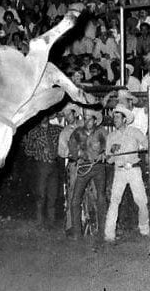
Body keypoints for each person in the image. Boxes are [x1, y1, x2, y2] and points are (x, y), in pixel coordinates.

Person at [104, 104, 149, 242]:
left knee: (142, 201)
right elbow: (109, 160)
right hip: (119, 171)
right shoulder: (111, 137)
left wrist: (143, 146)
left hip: (134, 170)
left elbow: (146, 144)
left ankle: (144, 228)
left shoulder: (135, 132)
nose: (115, 120)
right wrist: (111, 152)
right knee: (114, 201)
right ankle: (109, 234)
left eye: (117, 117)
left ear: (124, 119)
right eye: (114, 117)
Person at [68, 109, 107, 240]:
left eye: (90, 118)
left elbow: (108, 146)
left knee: (101, 198)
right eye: (85, 118)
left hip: (98, 167)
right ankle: (77, 233)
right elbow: (72, 147)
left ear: (95, 120)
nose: (87, 121)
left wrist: (104, 153)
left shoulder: (101, 132)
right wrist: (77, 154)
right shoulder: (77, 132)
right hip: (83, 167)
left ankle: (102, 231)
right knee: (75, 200)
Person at [24, 115, 62, 227]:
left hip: (54, 165)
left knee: (53, 195)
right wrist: (38, 149)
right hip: (41, 165)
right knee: (40, 194)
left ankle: (51, 222)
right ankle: (39, 221)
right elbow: (27, 151)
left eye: (46, 114)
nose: (43, 117)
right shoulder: (33, 133)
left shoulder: (56, 129)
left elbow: (65, 139)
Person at [57, 103, 83, 232]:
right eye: (65, 115)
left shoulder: (84, 126)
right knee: (72, 193)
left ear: (74, 113)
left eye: (69, 114)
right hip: (73, 164)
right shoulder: (64, 132)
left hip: (87, 163)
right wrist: (71, 152)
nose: (68, 117)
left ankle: (89, 223)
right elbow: (61, 152)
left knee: (90, 193)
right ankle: (71, 225)